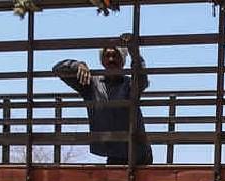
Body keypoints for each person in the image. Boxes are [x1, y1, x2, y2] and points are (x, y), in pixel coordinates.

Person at [53, 34, 152, 166]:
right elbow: (57, 69)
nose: (111, 59)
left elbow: (142, 76)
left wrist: (134, 52)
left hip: (139, 154)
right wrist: (77, 65)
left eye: (115, 55)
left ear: (122, 60)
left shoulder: (130, 84)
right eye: (107, 56)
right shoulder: (91, 83)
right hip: (114, 155)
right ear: (102, 61)